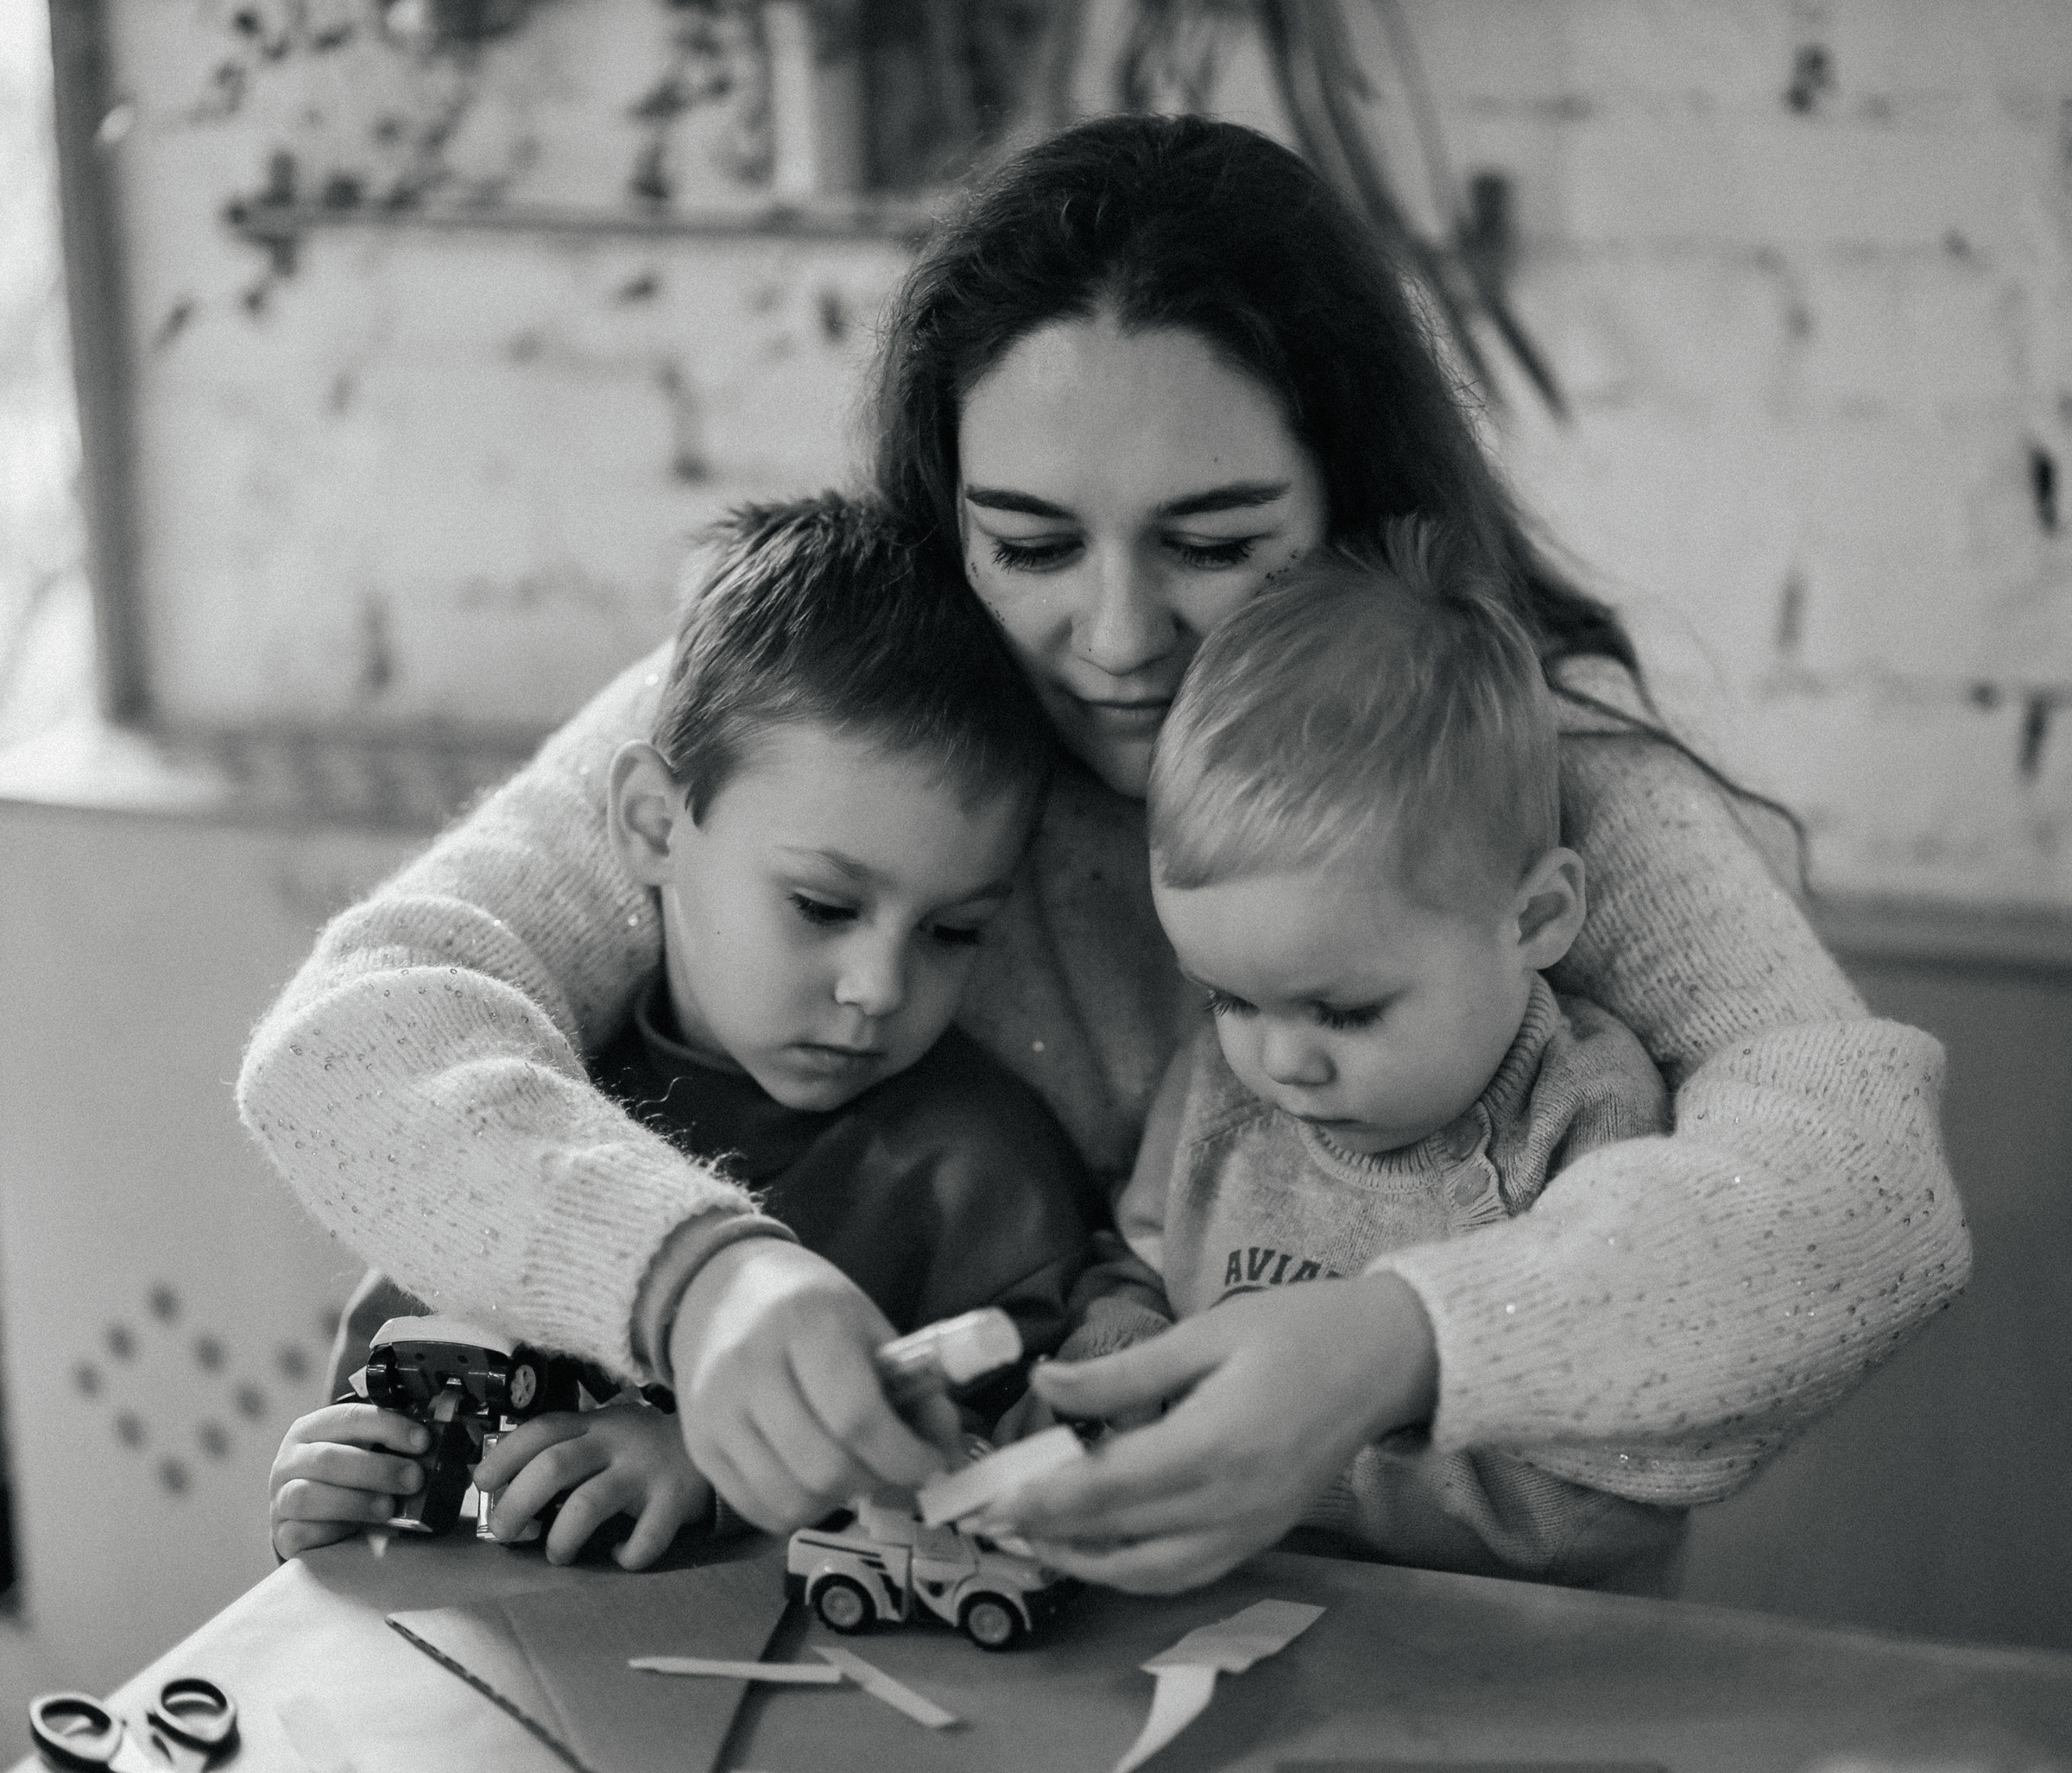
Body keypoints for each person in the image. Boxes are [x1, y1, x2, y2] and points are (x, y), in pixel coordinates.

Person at [241, 114, 1967, 1596]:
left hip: (1483, 1678)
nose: (1117, 633)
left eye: (1216, 541)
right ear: (945, 510)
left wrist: (1401, 1340)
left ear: (1353, 503)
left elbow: (1864, 1190)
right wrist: (695, 1276)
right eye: (1031, 541)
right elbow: (357, 1035)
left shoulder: (1504, 746)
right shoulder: (858, 713)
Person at [266, 495, 1100, 1565]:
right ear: (655, 824)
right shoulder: (529, 1112)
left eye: (952, 930)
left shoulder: (983, 1177)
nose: (881, 985)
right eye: (823, 906)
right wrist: (329, 1504)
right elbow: (396, 1461)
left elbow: (1026, 1478)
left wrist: (737, 1475)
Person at [1012, 525, 1684, 1592]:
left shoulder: (1586, 1122)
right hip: (1215, 1620)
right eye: (1229, 996)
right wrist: (1114, 1390)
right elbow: (1138, 1263)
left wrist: (1300, 1462)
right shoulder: (1224, 1079)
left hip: (1504, 1670)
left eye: (1348, 1012)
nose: (1281, 1062)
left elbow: (1591, 1503)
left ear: (1538, 916)